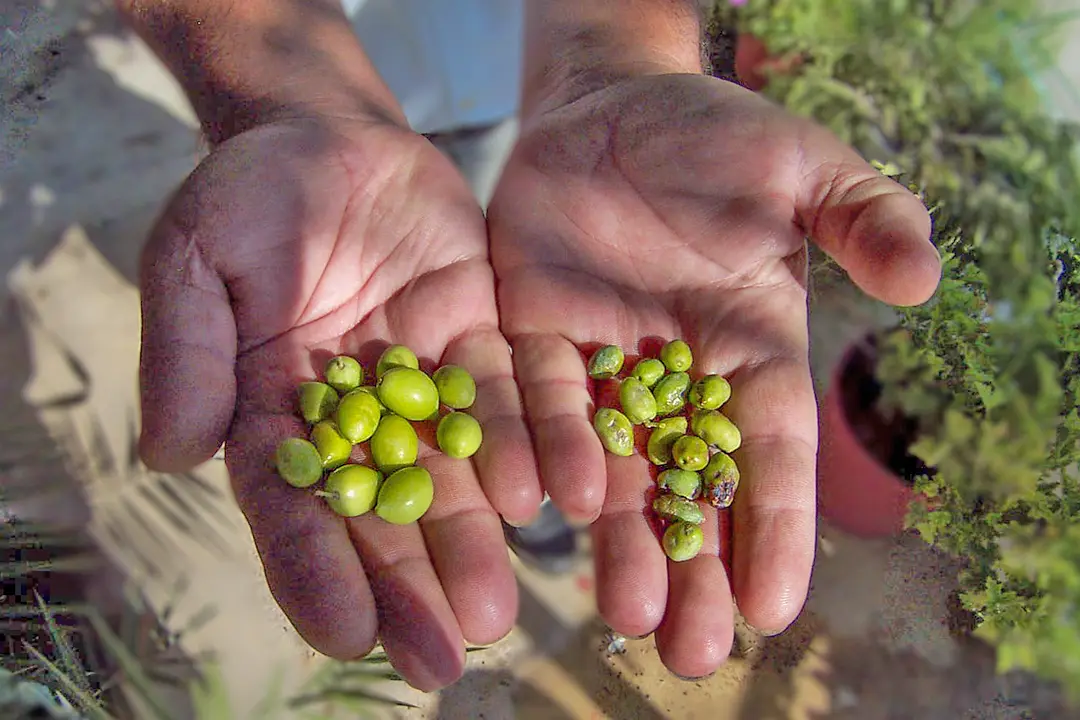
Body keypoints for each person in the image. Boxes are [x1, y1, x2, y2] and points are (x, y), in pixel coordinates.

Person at [117, 0, 942, 691]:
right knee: (515, 411)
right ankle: (541, 500)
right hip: (336, 119)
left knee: (546, 433)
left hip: (556, 107)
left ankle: (547, 503)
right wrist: (280, 97)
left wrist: (621, 65)